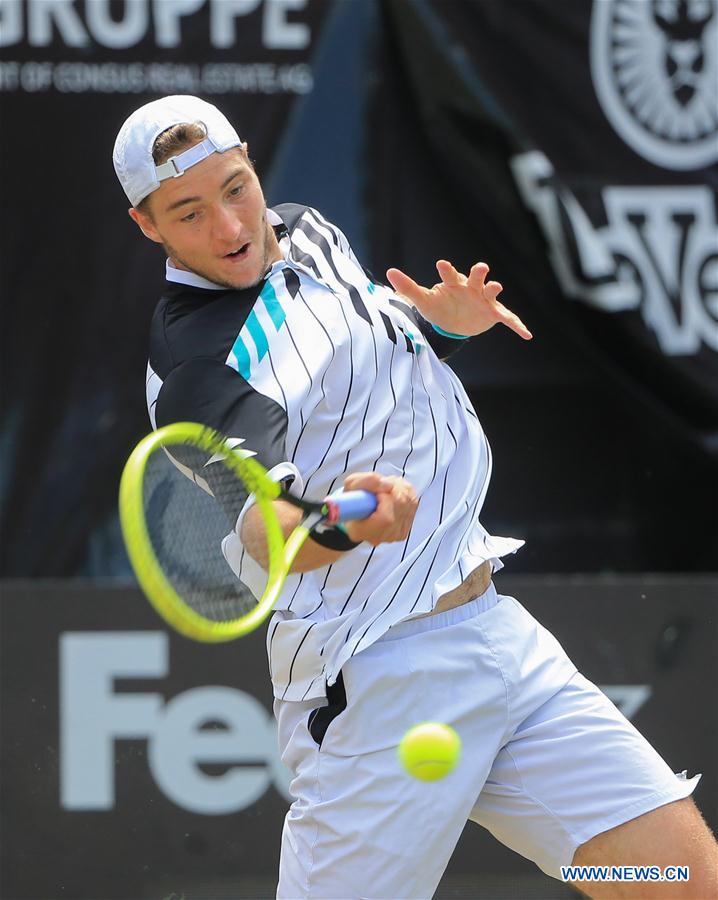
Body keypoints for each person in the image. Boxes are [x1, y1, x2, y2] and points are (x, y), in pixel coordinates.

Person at [113, 95, 717, 899]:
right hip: (377, 683)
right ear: (147, 225)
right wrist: (347, 520)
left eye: (235, 188)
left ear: (252, 162)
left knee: (677, 880)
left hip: (498, 635)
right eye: (189, 214)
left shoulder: (307, 231)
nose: (229, 228)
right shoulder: (202, 366)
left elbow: (353, 364)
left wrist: (443, 328)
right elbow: (265, 530)